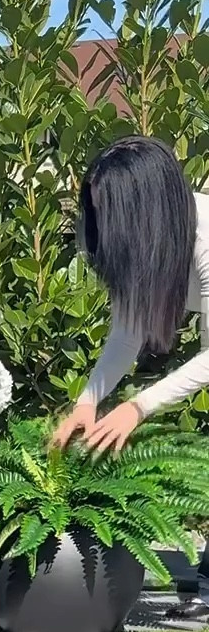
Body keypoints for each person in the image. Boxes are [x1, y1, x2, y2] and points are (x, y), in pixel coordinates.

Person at [52, 135, 209, 454]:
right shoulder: (144, 248)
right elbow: (127, 334)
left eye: (113, 214)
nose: (107, 228)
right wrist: (87, 402)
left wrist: (137, 407)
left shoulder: (204, 237)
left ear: (148, 211)